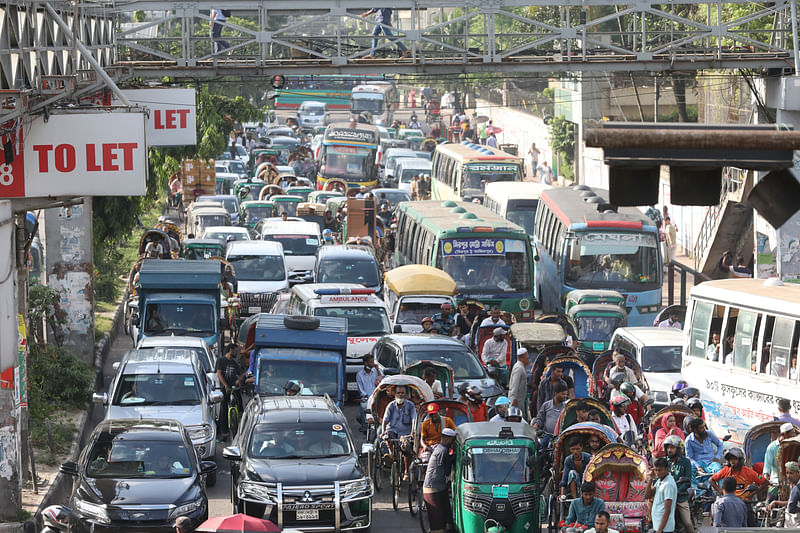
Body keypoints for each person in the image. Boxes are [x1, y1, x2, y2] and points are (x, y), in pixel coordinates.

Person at [710, 447, 766, 525]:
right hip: (727, 503)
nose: (732, 461)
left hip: (744, 503)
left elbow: (765, 482)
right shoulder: (726, 470)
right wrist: (720, 490)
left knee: (752, 525)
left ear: (740, 460)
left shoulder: (748, 472)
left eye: (735, 459)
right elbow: (711, 480)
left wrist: (752, 494)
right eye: (731, 459)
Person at [423, 427, 456, 533]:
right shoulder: (443, 451)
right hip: (432, 488)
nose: (452, 443)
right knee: (437, 524)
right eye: (452, 440)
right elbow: (446, 471)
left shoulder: (439, 448)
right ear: (446, 439)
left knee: (446, 518)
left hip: (439, 487)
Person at [662, 435, 694, 533]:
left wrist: (676, 491)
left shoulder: (686, 462)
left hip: (681, 497)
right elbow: (658, 479)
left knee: (688, 523)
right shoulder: (664, 462)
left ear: (678, 449)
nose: (669, 450)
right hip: (666, 498)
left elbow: (688, 481)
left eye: (672, 447)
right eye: (668, 448)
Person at [382, 385, 416, 469]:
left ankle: (406, 471)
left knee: (405, 447)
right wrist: (383, 431)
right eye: (398, 393)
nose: (400, 395)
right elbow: (385, 420)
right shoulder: (391, 405)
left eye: (402, 393)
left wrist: (412, 432)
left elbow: (414, 419)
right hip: (393, 431)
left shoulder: (410, 406)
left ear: (405, 394)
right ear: (395, 394)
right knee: (387, 436)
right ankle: (391, 455)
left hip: (406, 433)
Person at [215, 343, 243, 441]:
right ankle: (224, 433)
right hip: (225, 388)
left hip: (234, 388)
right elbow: (219, 374)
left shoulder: (235, 364)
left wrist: (239, 381)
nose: (237, 353)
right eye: (235, 351)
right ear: (230, 350)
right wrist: (226, 386)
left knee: (240, 406)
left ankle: (240, 427)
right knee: (223, 409)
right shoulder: (221, 361)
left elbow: (240, 375)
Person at [646, 457, 678, 533]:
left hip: (665, 528)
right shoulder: (660, 480)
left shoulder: (668, 484)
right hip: (658, 526)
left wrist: (660, 530)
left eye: (660, 470)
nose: (657, 472)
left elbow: (667, 510)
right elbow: (647, 496)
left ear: (666, 469)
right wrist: (650, 479)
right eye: (656, 470)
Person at [533, 380, 568, 448]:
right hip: (547, 436)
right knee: (540, 451)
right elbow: (540, 418)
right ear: (556, 393)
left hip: (559, 437)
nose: (565, 396)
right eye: (562, 394)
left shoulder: (566, 407)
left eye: (565, 394)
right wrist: (535, 426)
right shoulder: (546, 405)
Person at [767, 461, 800, 527]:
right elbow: (792, 502)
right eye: (787, 473)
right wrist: (776, 502)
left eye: (791, 473)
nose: (788, 476)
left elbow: (791, 508)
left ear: (798, 472)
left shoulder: (797, 488)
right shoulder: (795, 486)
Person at [356, 354, 382, 430]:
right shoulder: (360, 374)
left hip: (376, 395)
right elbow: (360, 389)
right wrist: (366, 395)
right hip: (366, 397)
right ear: (365, 363)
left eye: (373, 362)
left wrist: (377, 370)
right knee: (364, 407)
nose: (372, 364)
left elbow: (382, 380)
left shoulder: (376, 371)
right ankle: (365, 426)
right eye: (370, 362)